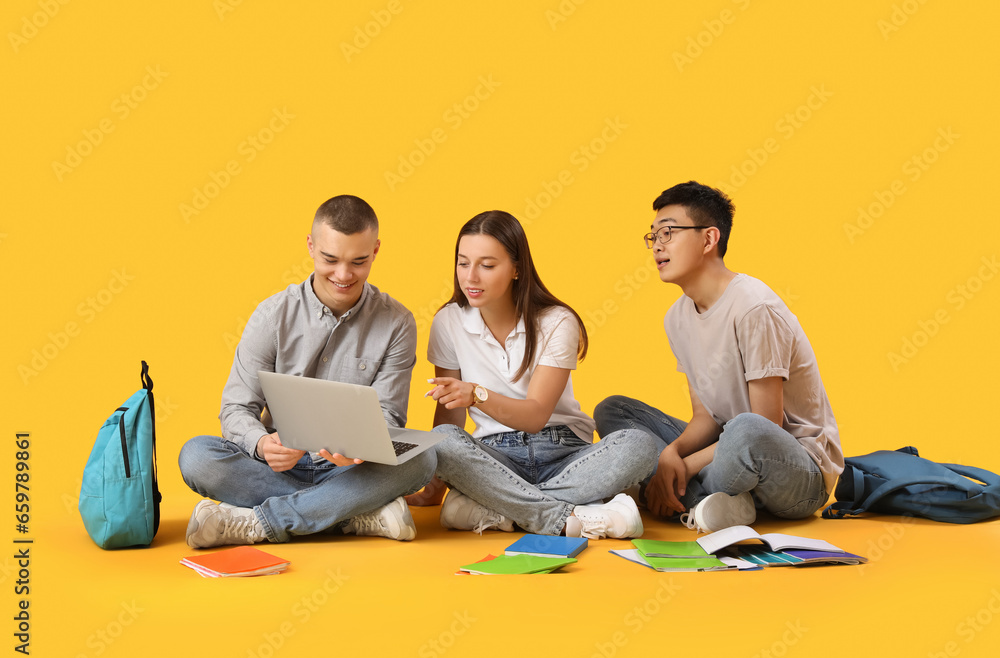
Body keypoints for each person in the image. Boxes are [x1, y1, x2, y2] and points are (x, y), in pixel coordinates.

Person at [179, 195, 435, 548]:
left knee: (424, 459)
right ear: (311, 247)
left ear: (375, 250)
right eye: (330, 259)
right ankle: (350, 515)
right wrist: (262, 443)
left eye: (358, 261)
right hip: (277, 467)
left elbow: (389, 414)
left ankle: (262, 522)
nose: (344, 275)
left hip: (353, 469)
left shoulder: (397, 322)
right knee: (197, 456)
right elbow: (236, 408)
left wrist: (360, 446)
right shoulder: (272, 316)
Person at [594, 181, 844, 533]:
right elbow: (705, 417)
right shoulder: (676, 318)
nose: (657, 246)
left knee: (744, 428)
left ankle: (669, 493)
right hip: (727, 451)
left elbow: (766, 425)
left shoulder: (754, 307)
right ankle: (711, 502)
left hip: (794, 471)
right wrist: (672, 453)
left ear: (709, 239)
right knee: (613, 410)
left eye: (668, 232)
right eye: (653, 237)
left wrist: (685, 463)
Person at [408, 210, 658, 539]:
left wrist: (477, 394)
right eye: (463, 262)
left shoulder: (557, 321)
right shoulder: (449, 321)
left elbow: (536, 415)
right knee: (442, 442)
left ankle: (501, 507)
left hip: (566, 453)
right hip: (495, 457)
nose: (470, 277)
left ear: (516, 269)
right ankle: (576, 512)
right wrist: (434, 486)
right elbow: (449, 417)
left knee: (639, 445)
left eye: (486, 265)